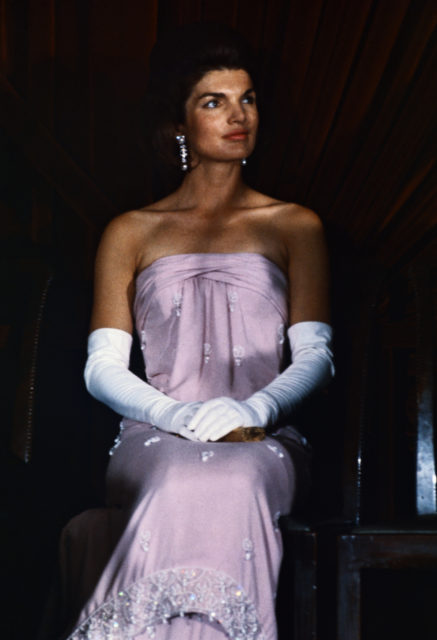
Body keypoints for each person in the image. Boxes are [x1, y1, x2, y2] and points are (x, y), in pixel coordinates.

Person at [55, 24, 334, 640]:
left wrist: (257, 406)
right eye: (215, 102)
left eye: (249, 99)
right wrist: (173, 415)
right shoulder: (132, 230)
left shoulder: (295, 225)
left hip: (264, 438)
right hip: (153, 434)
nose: (239, 116)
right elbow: (102, 367)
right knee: (180, 473)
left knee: (233, 476)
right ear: (179, 124)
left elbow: (317, 355)